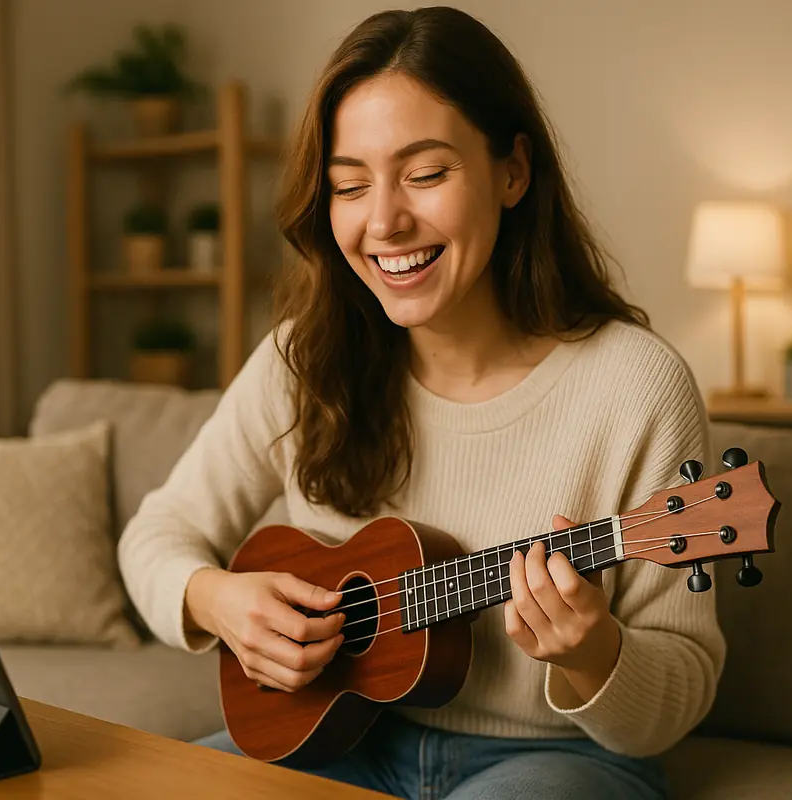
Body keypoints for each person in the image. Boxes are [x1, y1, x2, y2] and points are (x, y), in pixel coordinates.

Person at [117, 6, 726, 799]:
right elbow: (156, 535)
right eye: (348, 185)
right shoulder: (306, 359)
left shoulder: (635, 386)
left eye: (426, 174)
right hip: (345, 738)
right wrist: (215, 599)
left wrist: (593, 653)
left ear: (513, 171)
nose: (384, 221)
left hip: (561, 761)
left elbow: (679, 694)